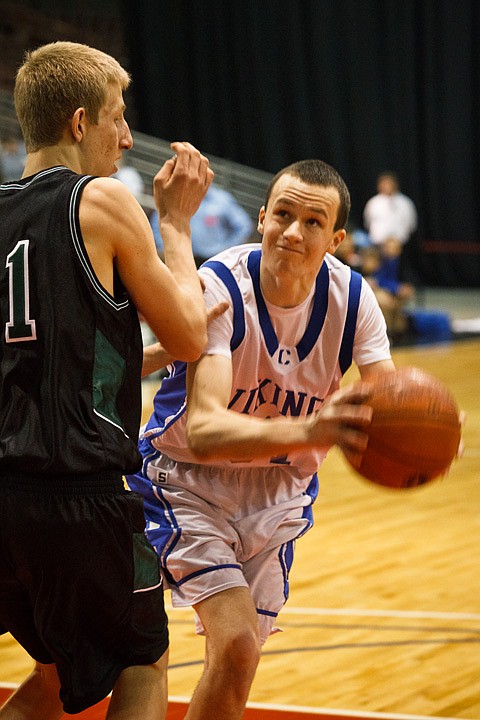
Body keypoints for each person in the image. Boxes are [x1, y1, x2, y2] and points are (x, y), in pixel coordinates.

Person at [128, 159, 396, 719]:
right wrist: (311, 430)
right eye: (283, 214)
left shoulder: (354, 301)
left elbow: (389, 402)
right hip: (187, 482)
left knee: (239, 659)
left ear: (337, 238)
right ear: (262, 217)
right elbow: (202, 430)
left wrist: (420, 432)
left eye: (313, 222)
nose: (293, 232)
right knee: (237, 640)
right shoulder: (221, 285)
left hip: (278, 492)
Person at [0, 41, 213, 720]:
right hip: (78, 492)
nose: (127, 137)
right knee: (143, 660)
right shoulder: (102, 199)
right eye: (119, 118)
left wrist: (131, 366)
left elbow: (37, 344)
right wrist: (176, 224)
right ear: (80, 122)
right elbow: (188, 335)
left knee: (55, 666)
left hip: (4, 497)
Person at [149, 182, 254, 265]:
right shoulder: (176, 197)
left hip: (213, 258)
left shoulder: (222, 200)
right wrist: (168, 249)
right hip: (182, 257)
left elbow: (244, 226)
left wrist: (227, 249)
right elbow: (158, 222)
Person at [362, 171, 417, 248]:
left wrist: (396, 241)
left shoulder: (405, 202)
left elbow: (411, 224)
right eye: (384, 183)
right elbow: (367, 222)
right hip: (378, 245)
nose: (387, 186)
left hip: (401, 244)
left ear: (395, 184)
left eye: (389, 183)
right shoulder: (373, 203)